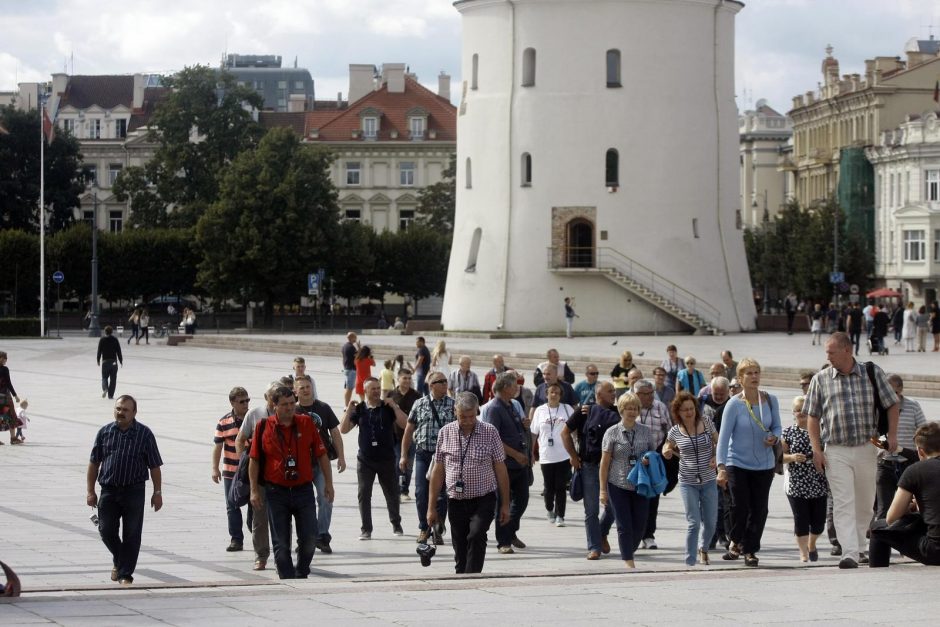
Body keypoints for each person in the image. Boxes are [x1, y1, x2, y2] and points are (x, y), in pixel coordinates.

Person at [802, 332, 899, 569]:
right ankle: (849, 553)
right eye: (827, 352)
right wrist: (817, 450)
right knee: (843, 501)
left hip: (868, 446)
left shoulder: (871, 373)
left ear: (847, 350)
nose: (828, 356)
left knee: (865, 502)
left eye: (831, 352)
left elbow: (892, 403)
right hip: (836, 449)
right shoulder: (821, 379)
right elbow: (812, 417)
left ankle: (860, 547)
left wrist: (893, 435)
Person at [248, 386, 333, 579]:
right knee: (281, 541)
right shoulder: (263, 426)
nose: (289, 408)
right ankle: (286, 576)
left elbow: (322, 455)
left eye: (291, 403)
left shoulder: (306, 423)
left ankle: (302, 571)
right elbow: (254, 460)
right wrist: (254, 490)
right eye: (284, 404)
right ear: (274, 405)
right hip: (276, 491)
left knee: (310, 537)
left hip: (303, 490)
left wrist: (329, 484)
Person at [427, 392, 510, 574]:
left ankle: (472, 576)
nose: (467, 420)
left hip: (484, 498)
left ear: (477, 412)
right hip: (456, 500)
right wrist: (431, 507)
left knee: (476, 534)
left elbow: (500, 468)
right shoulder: (445, 432)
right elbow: (438, 470)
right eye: (463, 416)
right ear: (455, 412)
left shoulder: (490, 432)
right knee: (459, 544)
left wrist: (505, 504)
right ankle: (462, 574)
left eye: (472, 416)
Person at [86, 395, 163, 585]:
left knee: (132, 534)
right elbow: (94, 463)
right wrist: (90, 491)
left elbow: (154, 466)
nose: (121, 413)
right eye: (118, 409)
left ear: (134, 412)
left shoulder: (144, 434)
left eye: (125, 410)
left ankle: (125, 574)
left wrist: (157, 492)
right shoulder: (105, 432)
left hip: (134, 491)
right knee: (106, 530)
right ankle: (121, 561)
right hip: (108, 490)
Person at [716, 358, 781, 567]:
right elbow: (724, 438)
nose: (754, 377)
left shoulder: (770, 400)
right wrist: (721, 467)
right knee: (739, 506)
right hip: (738, 463)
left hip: (764, 464)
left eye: (757, 372)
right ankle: (736, 540)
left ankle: (750, 550)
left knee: (760, 509)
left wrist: (774, 437)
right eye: (749, 373)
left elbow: (778, 427)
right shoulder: (734, 404)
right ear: (740, 379)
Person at [341, 378, 408, 540]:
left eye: (378, 388)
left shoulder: (387, 407)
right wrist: (348, 410)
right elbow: (343, 429)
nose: (377, 391)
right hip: (365, 460)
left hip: (386, 458)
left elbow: (405, 424)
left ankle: (396, 523)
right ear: (365, 391)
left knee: (392, 493)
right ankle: (366, 529)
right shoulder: (360, 409)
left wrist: (394, 406)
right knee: (364, 493)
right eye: (373, 389)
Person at [561, 381, 620, 560]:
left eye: (614, 391)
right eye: (610, 391)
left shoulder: (618, 413)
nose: (613, 394)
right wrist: (573, 455)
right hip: (589, 466)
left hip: (613, 467)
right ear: (599, 394)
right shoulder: (584, 411)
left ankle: (601, 532)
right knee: (591, 509)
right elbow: (564, 432)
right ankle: (594, 547)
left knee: (614, 507)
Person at [869, 423, 940, 567]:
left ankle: (877, 575)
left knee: (878, 527)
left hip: (935, 551)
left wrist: (910, 507)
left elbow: (891, 518)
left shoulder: (915, 470)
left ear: (920, 451)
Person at [599, 392, 656, 569]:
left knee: (640, 525)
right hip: (618, 484)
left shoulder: (646, 432)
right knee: (624, 525)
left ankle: (627, 549)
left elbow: (653, 455)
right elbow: (605, 462)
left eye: (635, 408)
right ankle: (628, 561)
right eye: (628, 408)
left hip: (640, 484)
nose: (632, 412)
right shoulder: (612, 432)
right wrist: (602, 490)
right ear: (621, 410)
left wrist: (648, 459)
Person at [662, 391, 719, 566]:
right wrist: (666, 451)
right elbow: (667, 445)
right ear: (678, 412)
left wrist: (716, 457)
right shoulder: (675, 431)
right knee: (693, 522)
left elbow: (718, 442)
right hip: (687, 481)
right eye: (685, 410)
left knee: (710, 522)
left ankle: (704, 548)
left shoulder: (707, 422)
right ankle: (690, 560)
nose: (689, 412)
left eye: (691, 408)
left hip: (709, 479)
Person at [401, 371, 456, 543]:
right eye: (441, 381)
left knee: (442, 495)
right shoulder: (420, 404)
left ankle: (438, 528)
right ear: (431, 385)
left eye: (446, 381)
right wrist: (403, 455)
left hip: (444, 457)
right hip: (423, 454)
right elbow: (409, 430)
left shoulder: (453, 405)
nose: (445, 384)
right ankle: (424, 528)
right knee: (421, 492)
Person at [294, 374, 346, 554]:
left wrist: (341, 456)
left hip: (321, 462)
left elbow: (335, 433)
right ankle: (304, 538)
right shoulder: (292, 410)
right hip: (300, 465)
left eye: (308, 386)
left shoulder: (323, 408)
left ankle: (322, 535)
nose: (306, 390)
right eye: (302, 388)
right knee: (301, 503)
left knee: (326, 498)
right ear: (296, 391)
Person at [482, 372, 531, 554]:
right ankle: (503, 541)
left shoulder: (512, 405)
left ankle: (510, 531)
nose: (517, 388)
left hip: (520, 464)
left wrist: (524, 426)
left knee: (522, 500)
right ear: (504, 388)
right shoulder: (494, 408)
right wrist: (516, 455)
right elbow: (493, 439)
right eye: (513, 385)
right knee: (503, 502)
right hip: (504, 464)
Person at [236, 382, 281, 570]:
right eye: (273, 398)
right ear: (266, 397)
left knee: (280, 517)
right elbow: (240, 439)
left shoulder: (287, 413)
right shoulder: (254, 414)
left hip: (281, 476)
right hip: (260, 475)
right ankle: (261, 556)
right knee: (259, 518)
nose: (275, 402)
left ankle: (281, 554)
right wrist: (244, 464)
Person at [781, 395, 829, 562]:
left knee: (818, 523)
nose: (801, 413)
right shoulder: (788, 432)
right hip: (797, 483)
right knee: (801, 520)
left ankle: (812, 543)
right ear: (793, 413)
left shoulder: (821, 431)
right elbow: (780, 457)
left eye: (805, 410)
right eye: (798, 410)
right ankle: (803, 552)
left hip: (818, 482)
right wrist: (793, 457)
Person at [873, 374, 927, 520]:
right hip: (885, 463)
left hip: (908, 463)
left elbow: (923, 431)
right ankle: (879, 538)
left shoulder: (913, 406)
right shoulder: (878, 408)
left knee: (909, 508)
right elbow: (871, 434)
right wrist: (884, 443)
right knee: (883, 508)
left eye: (893, 392)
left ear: (901, 390)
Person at [212, 387, 252, 553]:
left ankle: (255, 531)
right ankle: (236, 539)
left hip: (252, 470)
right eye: (242, 401)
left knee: (255, 504)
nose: (245, 404)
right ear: (232, 403)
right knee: (232, 505)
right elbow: (218, 447)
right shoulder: (223, 422)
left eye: (247, 400)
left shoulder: (254, 418)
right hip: (230, 471)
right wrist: (215, 468)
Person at [633, 379, 672, 550]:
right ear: (637, 395)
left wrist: (667, 447)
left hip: (654, 459)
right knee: (634, 497)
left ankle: (648, 535)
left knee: (652, 498)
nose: (651, 397)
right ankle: (635, 534)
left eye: (652, 393)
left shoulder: (660, 407)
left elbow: (670, 431)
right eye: (646, 394)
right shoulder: (628, 406)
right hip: (633, 460)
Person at [530, 382, 574, 526]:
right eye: (551, 392)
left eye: (557, 392)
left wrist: (575, 453)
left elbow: (575, 430)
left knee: (561, 486)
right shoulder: (539, 411)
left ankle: (560, 516)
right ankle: (550, 509)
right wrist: (531, 452)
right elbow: (533, 434)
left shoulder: (567, 409)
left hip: (564, 454)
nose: (554, 395)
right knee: (549, 487)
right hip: (546, 455)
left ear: (561, 395)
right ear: (546, 394)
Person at [390, 369, 420, 502]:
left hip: (411, 437)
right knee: (397, 462)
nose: (407, 381)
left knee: (408, 464)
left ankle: (404, 490)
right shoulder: (391, 395)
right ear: (398, 379)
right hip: (395, 435)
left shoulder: (417, 395)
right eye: (405, 378)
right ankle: (396, 489)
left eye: (409, 378)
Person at [96, 326, 123, 399]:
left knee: (104, 377)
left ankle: (105, 389)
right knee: (113, 379)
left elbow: (99, 351)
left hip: (105, 362)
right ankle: (110, 395)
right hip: (113, 362)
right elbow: (118, 351)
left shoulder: (102, 339)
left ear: (105, 331)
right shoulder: (115, 339)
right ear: (112, 332)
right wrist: (121, 361)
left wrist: (98, 360)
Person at [341, 332, 359, 407]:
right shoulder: (351, 347)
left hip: (346, 368)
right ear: (351, 338)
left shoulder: (344, 346)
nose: (356, 339)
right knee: (349, 389)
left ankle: (346, 404)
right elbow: (357, 356)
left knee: (347, 388)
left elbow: (343, 358)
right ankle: (347, 405)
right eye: (355, 337)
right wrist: (359, 347)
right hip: (351, 369)